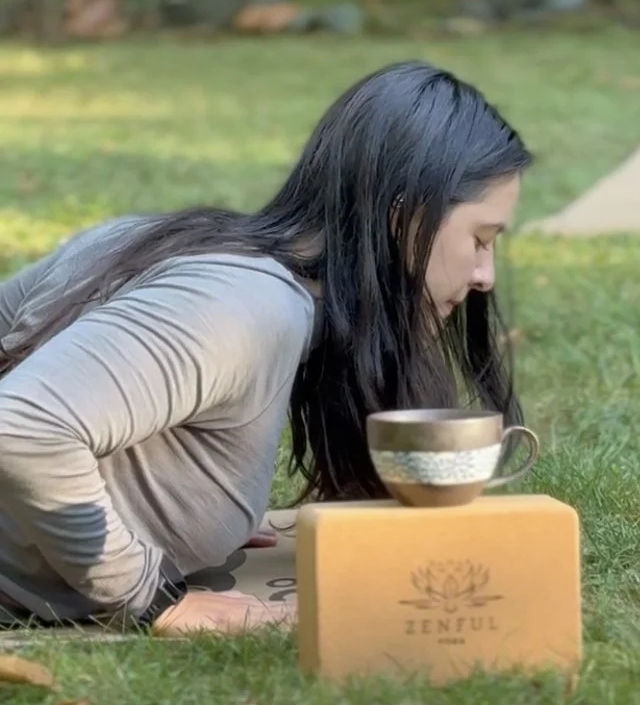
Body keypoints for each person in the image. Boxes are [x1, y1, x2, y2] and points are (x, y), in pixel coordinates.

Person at [0, 60, 532, 637]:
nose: (485, 276)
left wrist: (194, 506)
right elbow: (22, 426)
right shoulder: (245, 307)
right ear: (403, 219)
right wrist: (146, 595)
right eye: (480, 239)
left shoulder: (153, 240)